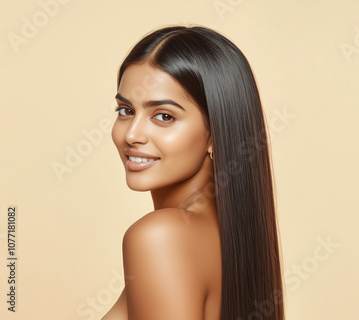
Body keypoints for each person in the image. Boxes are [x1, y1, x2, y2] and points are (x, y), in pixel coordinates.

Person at [101, 25, 285, 320]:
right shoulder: (232, 235)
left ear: (215, 134)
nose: (132, 134)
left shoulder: (160, 236)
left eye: (164, 116)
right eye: (125, 110)